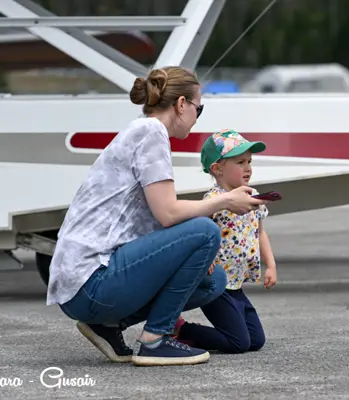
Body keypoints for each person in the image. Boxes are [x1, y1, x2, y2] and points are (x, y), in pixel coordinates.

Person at [46, 67, 269, 366]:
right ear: (181, 105)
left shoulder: (141, 131)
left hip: (85, 283)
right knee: (205, 231)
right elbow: (168, 213)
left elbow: (158, 218)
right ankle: (155, 340)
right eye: (198, 108)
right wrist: (226, 200)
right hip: (90, 282)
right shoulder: (151, 133)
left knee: (213, 280)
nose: (197, 116)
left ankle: (110, 326)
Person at [173, 129, 278, 354]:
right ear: (217, 169)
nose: (248, 167)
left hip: (237, 283)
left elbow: (260, 233)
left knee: (256, 341)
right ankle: (182, 331)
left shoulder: (253, 196)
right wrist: (205, 256)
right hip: (218, 284)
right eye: (240, 162)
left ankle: (206, 333)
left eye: (249, 161)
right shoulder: (213, 201)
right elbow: (200, 233)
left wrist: (271, 265)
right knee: (238, 343)